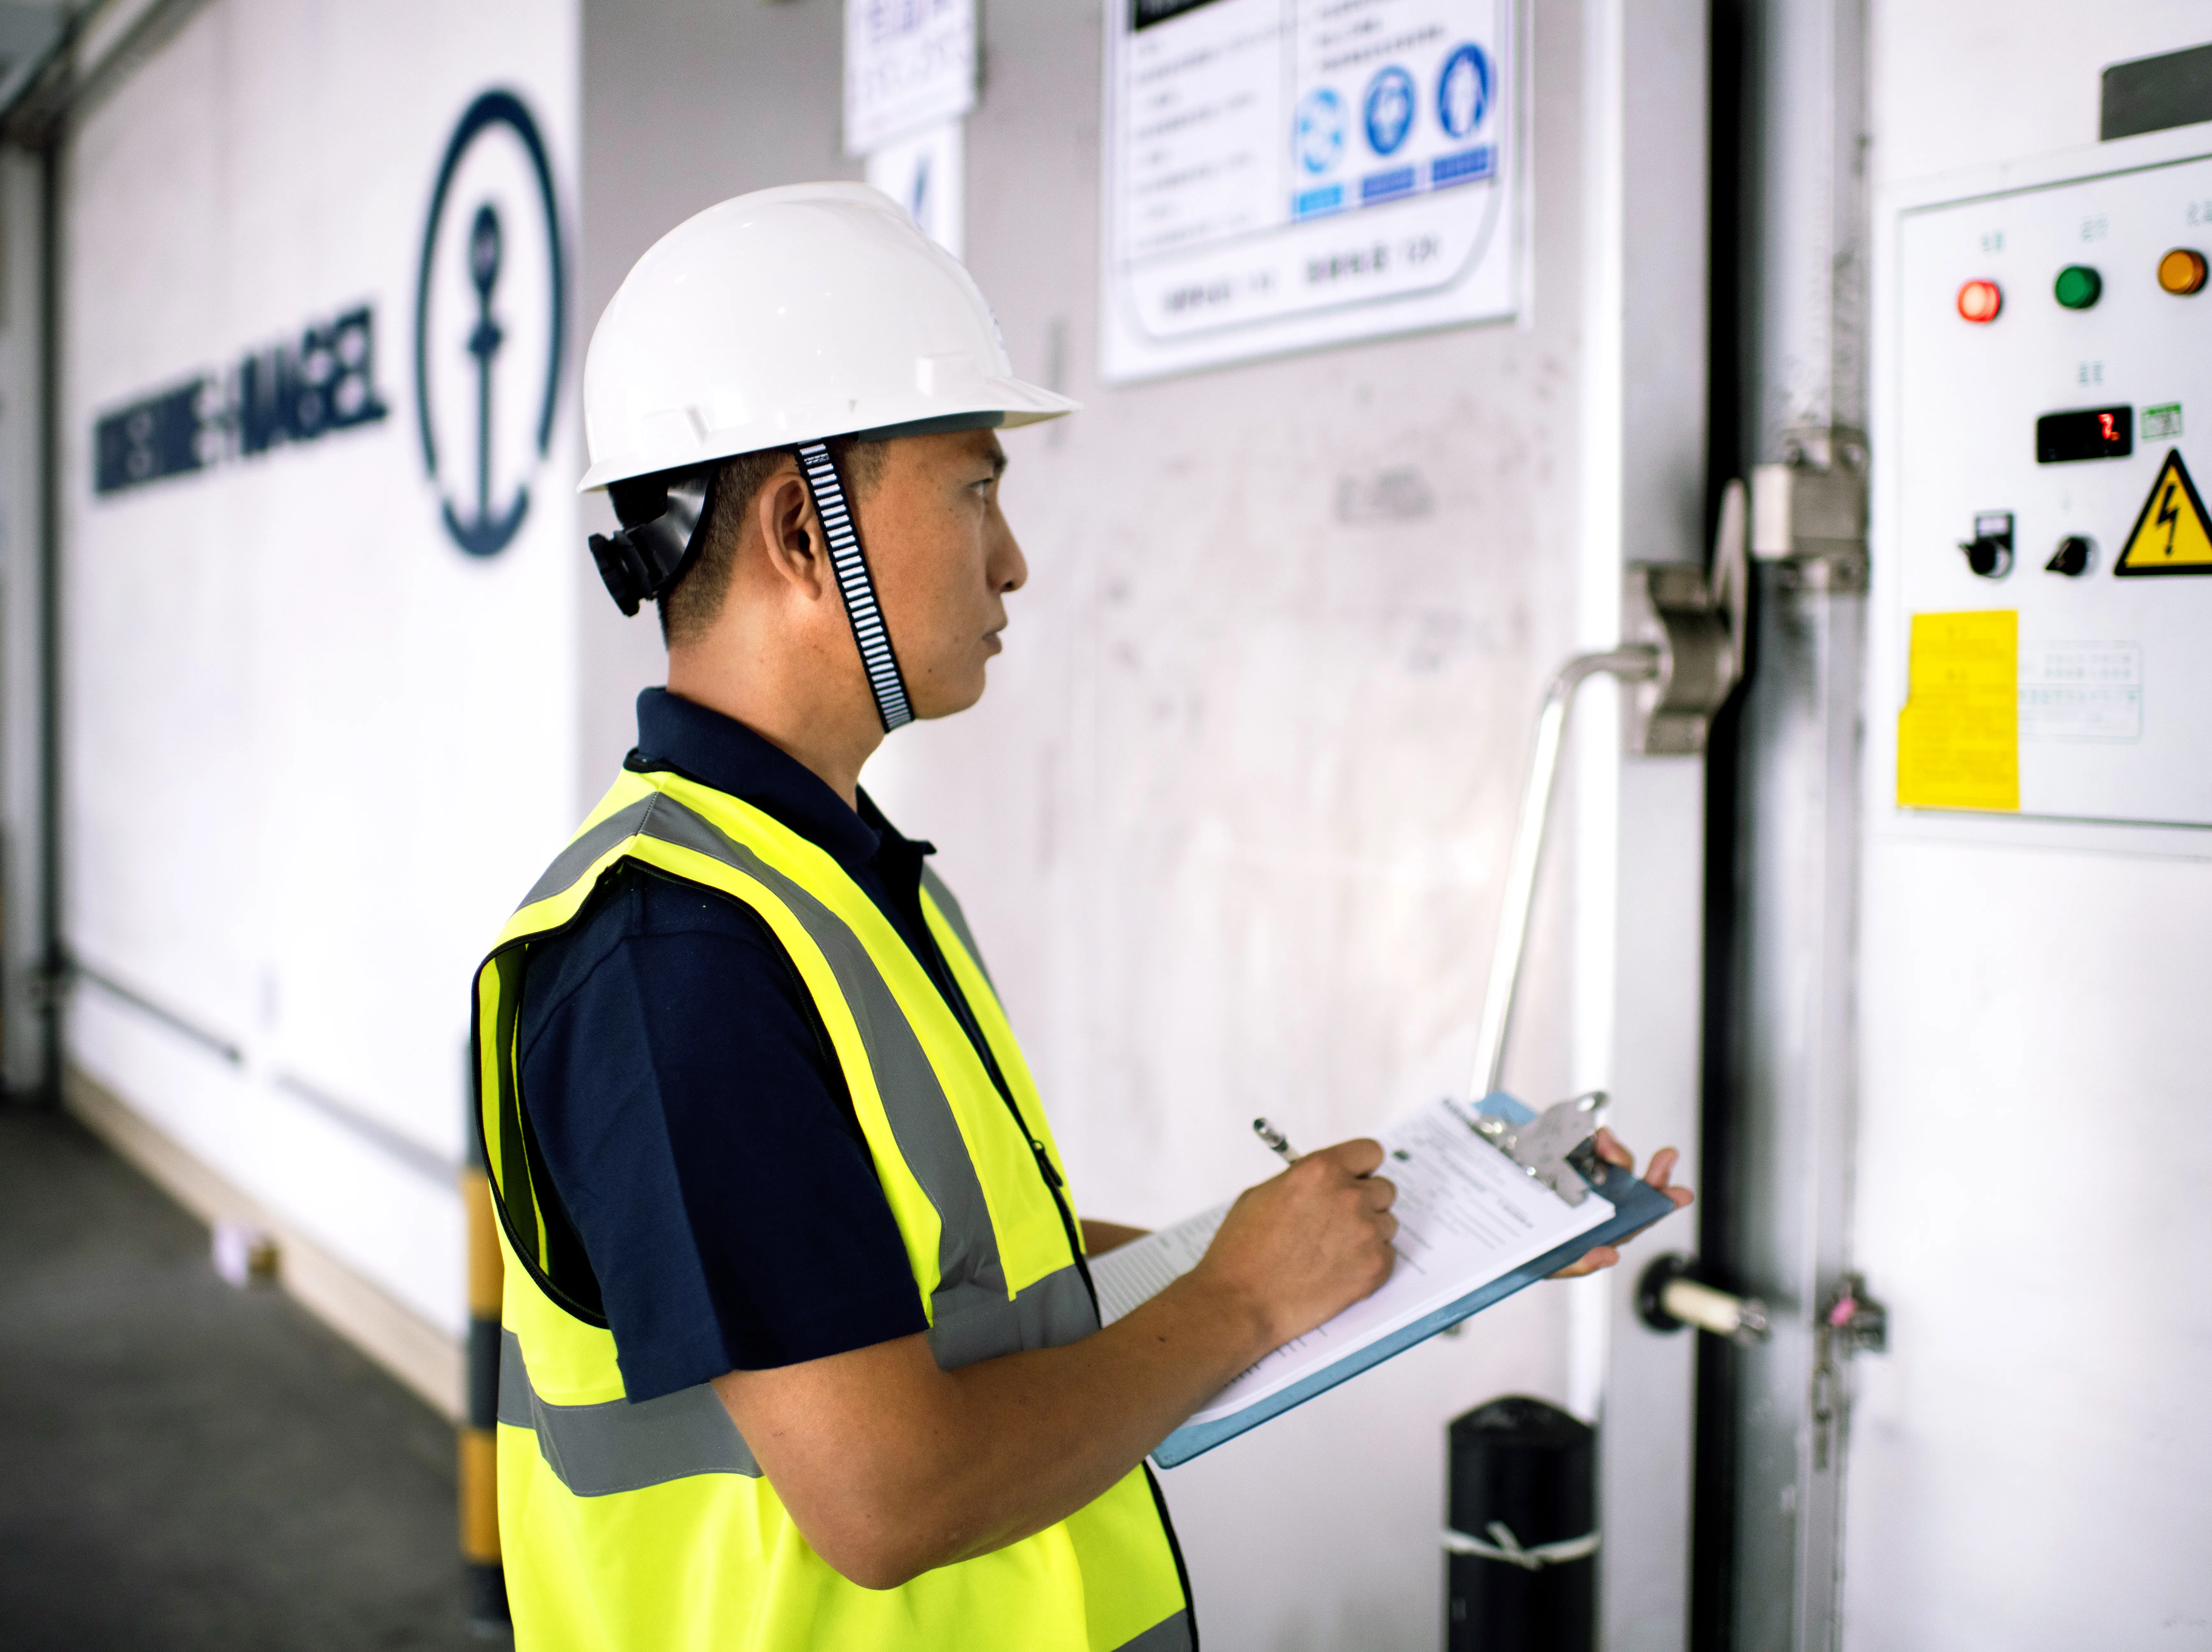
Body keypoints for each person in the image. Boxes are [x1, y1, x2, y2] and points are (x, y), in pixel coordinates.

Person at [471, 182, 1691, 1652]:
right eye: (975, 490)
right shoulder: (676, 957)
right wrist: (1238, 1302)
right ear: (805, 532)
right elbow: (889, 1499)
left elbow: (969, 1287)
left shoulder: (828, 875)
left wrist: (1409, 1238)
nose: (1012, 560)